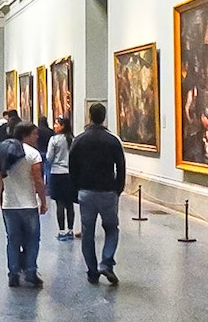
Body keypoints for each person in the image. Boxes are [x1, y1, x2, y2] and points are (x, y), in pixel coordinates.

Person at [69, 102, 125, 285]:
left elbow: (72, 166)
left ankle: (92, 271)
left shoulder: (79, 140)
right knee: (111, 229)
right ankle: (106, 262)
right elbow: (121, 166)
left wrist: (76, 187)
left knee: (88, 232)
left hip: (86, 191)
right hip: (108, 190)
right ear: (104, 116)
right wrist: (119, 187)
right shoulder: (112, 140)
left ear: (89, 116)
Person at [0, 122, 47, 288]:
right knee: (32, 239)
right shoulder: (33, 154)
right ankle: (30, 271)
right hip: (29, 204)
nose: (37, 137)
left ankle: (14, 273)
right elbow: (38, 180)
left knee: (13, 240)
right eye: (34, 134)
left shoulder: (3, 153)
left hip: (9, 205)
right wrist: (43, 200)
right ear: (25, 135)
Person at [45, 116, 77, 240]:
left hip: (57, 173)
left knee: (60, 203)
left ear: (62, 126)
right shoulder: (72, 139)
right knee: (69, 204)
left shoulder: (54, 140)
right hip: (70, 174)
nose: (54, 126)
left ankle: (61, 232)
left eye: (56, 123)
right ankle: (70, 230)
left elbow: (49, 157)